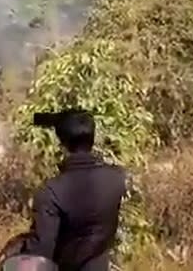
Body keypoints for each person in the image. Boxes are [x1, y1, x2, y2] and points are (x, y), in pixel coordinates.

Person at [22, 110, 126, 270]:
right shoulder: (117, 178)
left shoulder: (51, 192)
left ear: (62, 145)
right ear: (93, 139)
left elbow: (42, 251)